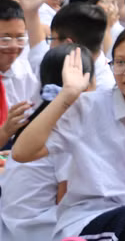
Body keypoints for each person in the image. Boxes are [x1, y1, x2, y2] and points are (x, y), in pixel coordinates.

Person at [12, 24, 125, 240]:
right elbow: (22, 153)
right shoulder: (86, 108)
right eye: (120, 63)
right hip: (91, 219)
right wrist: (67, 96)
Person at [1, 44, 94, 241]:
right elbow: (66, 199)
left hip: (9, 223)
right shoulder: (67, 125)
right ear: (85, 84)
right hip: (36, 228)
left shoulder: (39, 118)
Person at [0, 0, 39, 148]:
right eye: (5, 39)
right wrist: (5, 131)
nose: (14, 46)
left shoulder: (25, 73)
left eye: (20, 38)